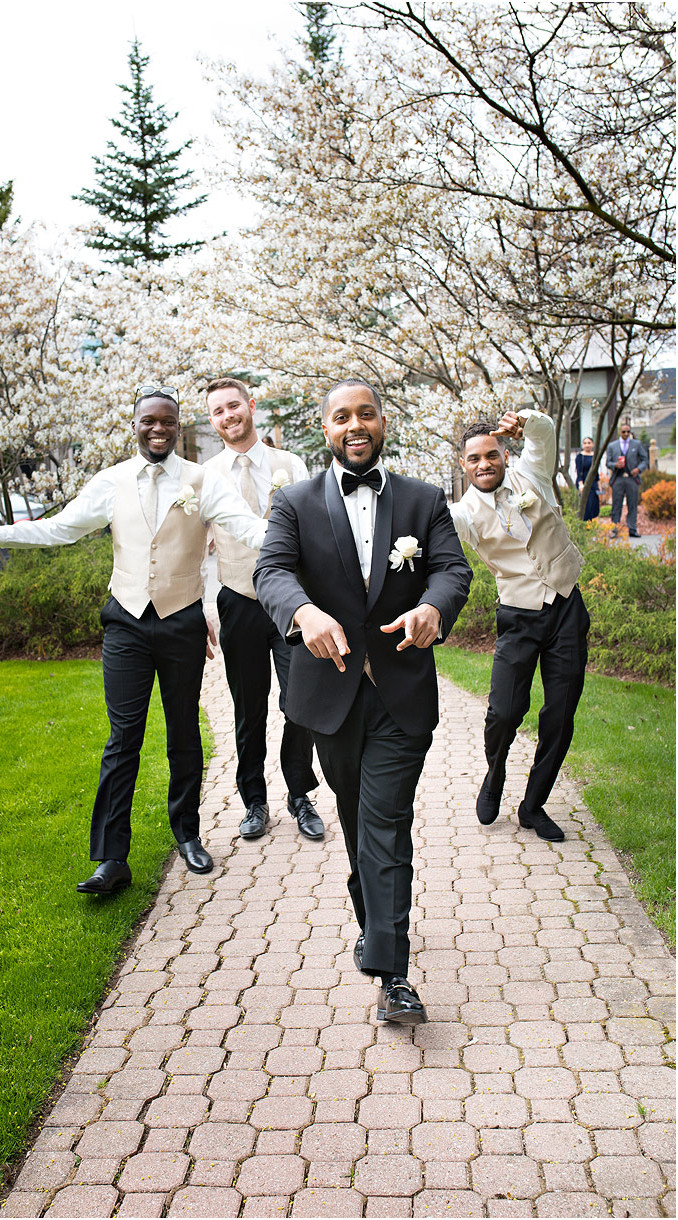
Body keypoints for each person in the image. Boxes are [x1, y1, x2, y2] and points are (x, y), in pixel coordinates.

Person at [0, 387, 267, 893]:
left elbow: (249, 529)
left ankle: (188, 835)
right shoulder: (112, 481)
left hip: (181, 622)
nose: (158, 429)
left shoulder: (204, 481)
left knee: (183, 732)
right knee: (123, 738)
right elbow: (60, 529)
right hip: (127, 622)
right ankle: (111, 858)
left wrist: (305, 537)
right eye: (148, 421)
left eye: (167, 421)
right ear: (134, 425)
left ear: (178, 427)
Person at [254, 378, 471, 1025]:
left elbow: (451, 570)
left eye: (366, 414)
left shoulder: (423, 499)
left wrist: (433, 604)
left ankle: (391, 973)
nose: (355, 425)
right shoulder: (292, 503)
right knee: (356, 822)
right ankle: (377, 919)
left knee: (385, 823)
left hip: (401, 696)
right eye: (341, 416)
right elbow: (271, 572)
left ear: (382, 421)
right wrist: (303, 613)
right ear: (325, 429)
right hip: (329, 697)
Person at [451, 409, 589, 843]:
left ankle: (533, 805)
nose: (484, 464)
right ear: (464, 465)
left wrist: (526, 420)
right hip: (518, 615)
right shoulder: (464, 514)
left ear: (505, 455)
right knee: (505, 713)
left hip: (566, 605)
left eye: (491, 455)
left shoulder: (533, 474)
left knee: (560, 712)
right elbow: (433, 531)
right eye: (474, 459)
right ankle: (494, 774)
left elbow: (544, 432)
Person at [204, 377, 322, 841]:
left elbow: (316, 525)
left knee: (300, 703)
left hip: (292, 601)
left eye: (234, 405)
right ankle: (254, 800)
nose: (228, 416)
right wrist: (201, 609)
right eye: (218, 411)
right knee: (248, 709)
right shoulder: (206, 474)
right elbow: (197, 548)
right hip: (238, 599)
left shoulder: (289, 463)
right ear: (213, 421)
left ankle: (299, 794)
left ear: (250, 406)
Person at [606, 422, 648, 538]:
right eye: (623, 431)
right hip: (618, 479)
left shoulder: (637, 444)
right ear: (620, 432)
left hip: (632, 479)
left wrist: (638, 469)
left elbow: (645, 460)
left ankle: (632, 529)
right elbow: (607, 463)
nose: (626, 434)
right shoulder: (612, 446)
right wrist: (615, 465)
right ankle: (615, 529)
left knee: (633, 504)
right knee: (616, 505)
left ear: (630, 433)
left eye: (628, 432)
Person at [574, 436, 600, 521]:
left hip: (593, 484)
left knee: (593, 506)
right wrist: (581, 485)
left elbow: (596, 472)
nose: (587, 445)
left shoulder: (595, 456)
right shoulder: (580, 456)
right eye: (585, 443)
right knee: (586, 505)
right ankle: (585, 525)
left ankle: (590, 525)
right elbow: (578, 472)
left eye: (589, 443)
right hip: (584, 483)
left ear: (592, 444)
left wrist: (599, 484)